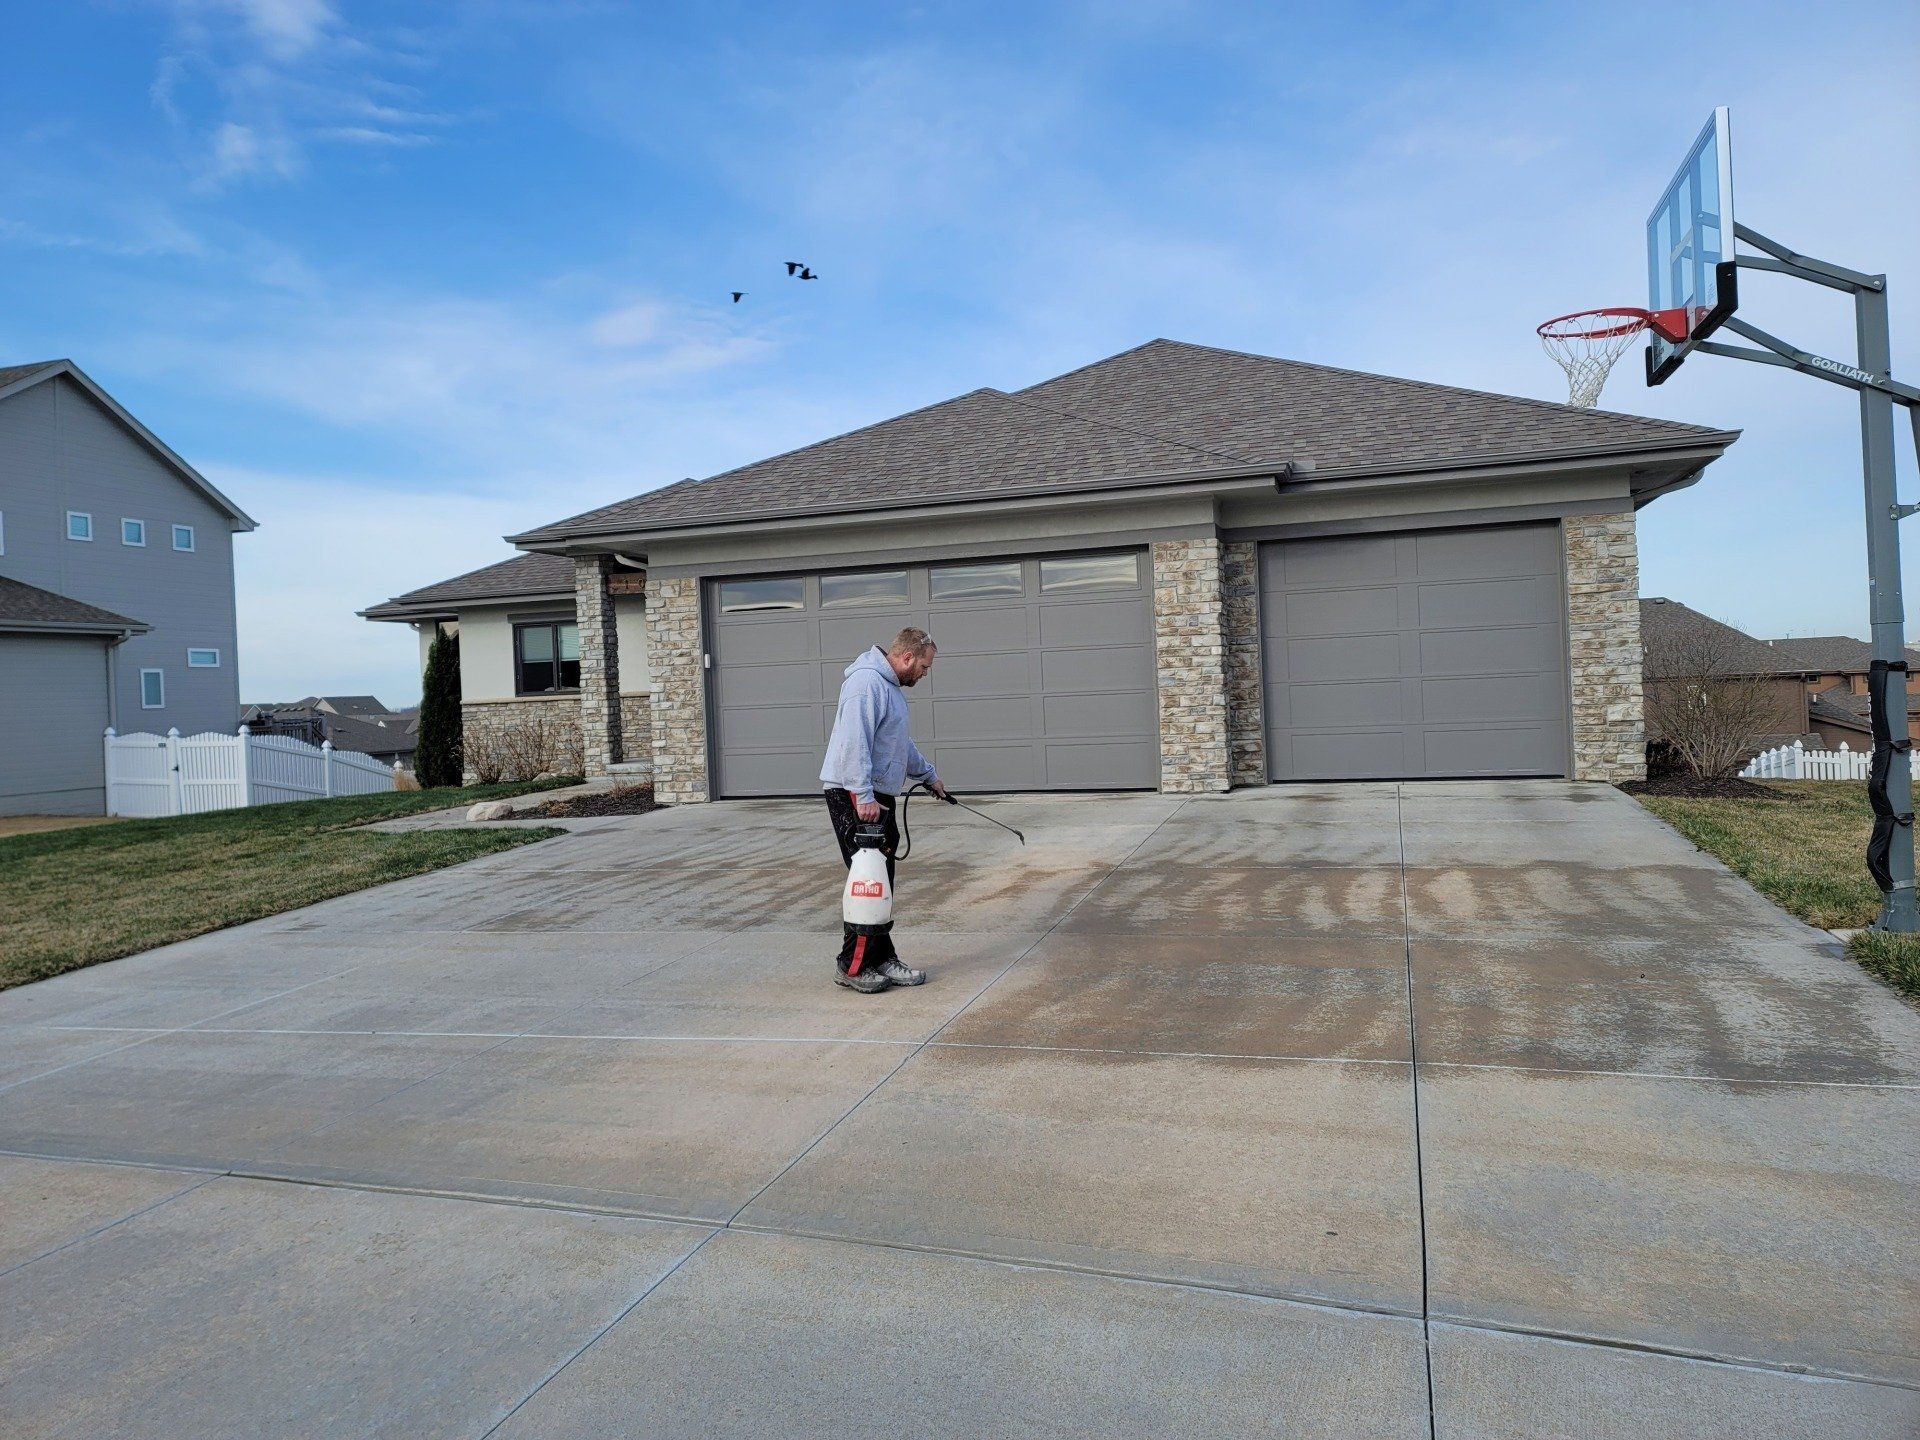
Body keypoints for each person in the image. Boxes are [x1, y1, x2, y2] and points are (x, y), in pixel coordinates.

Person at [820, 627, 948, 993]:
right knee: (868, 883)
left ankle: (881, 956)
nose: (925, 673)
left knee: (882, 884)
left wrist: (928, 776)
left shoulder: (889, 688)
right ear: (907, 658)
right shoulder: (865, 684)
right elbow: (853, 742)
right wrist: (861, 795)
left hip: (876, 795)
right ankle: (853, 964)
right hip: (855, 793)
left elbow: (898, 743)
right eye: (924, 667)